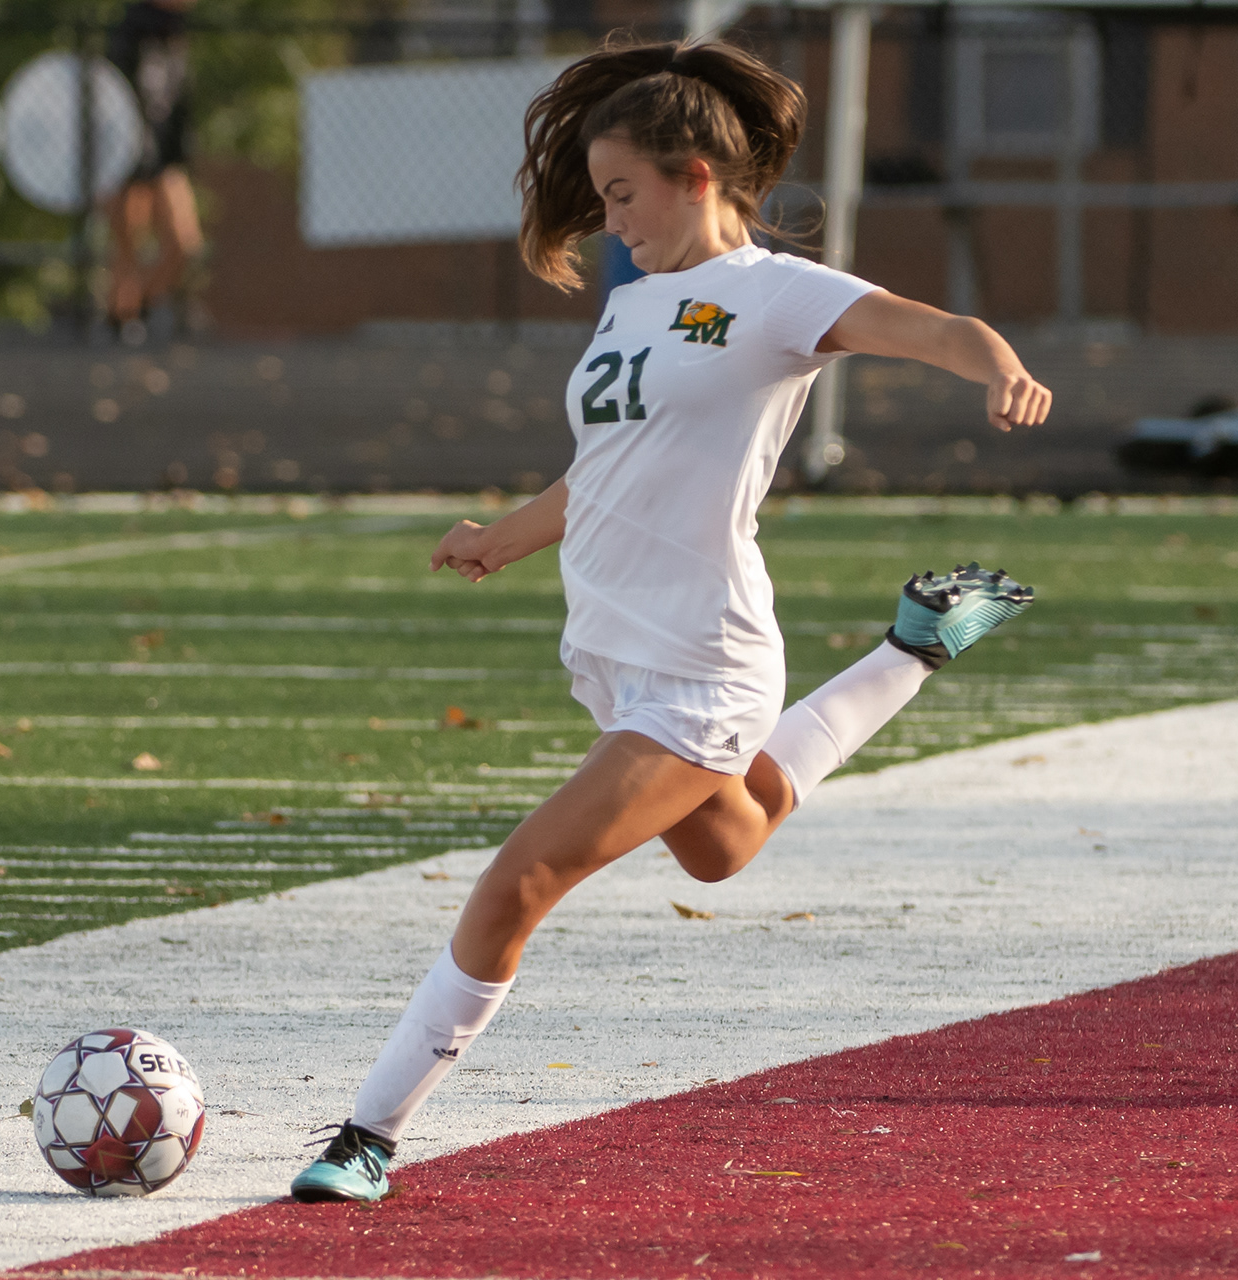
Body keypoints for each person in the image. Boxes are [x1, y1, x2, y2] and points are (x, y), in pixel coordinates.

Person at [288, 36, 1052, 1203]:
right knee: (723, 844)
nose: (609, 220)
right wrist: (505, 533)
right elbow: (604, 466)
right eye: (601, 198)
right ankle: (913, 645)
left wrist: (997, 366)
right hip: (617, 656)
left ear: (696, 176)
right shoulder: (635, 303)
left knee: (517, 881)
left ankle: (368, 1135)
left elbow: (934, 328)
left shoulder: (775, 292)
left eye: (622, 194)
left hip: (703, 659)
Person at [106, 0, 204, 343]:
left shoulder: (175, 36)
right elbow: (121, 102)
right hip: (128, 160)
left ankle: (139, 308)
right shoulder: (130, 34)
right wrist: (132, 164)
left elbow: (176, 106)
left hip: (164, 159)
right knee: (128, 249)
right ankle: (120, 323)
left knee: (184, 243)